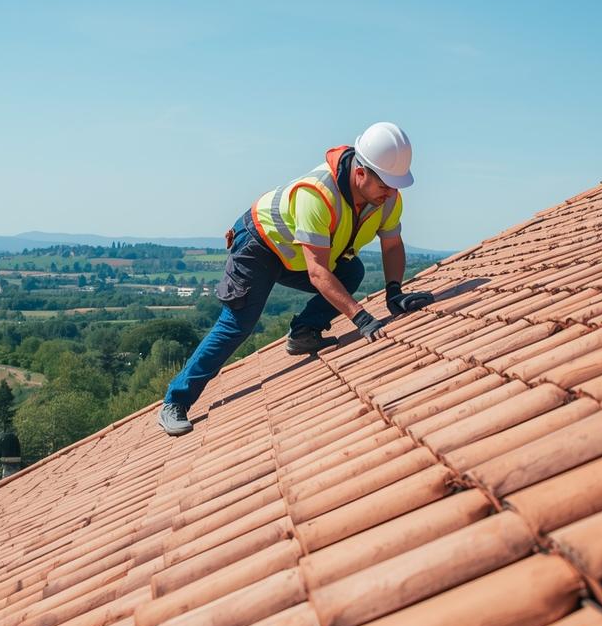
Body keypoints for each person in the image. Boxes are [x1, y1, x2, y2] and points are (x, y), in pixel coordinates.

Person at [157, 122, 435, 436]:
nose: (391, 193)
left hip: (295, 251)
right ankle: (175, 401)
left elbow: (392, 244)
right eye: (385, 185)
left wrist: (394, 292)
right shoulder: (316, 194)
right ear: (361, 174)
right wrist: (363, 319)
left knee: (352, 271)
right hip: (258, 245)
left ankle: (304, 333)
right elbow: (318, 272)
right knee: (238, 323)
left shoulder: (387, 199)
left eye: (395, 185)